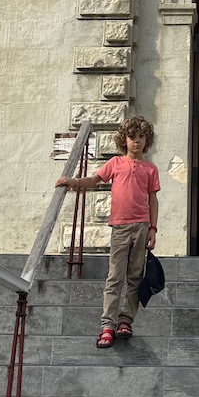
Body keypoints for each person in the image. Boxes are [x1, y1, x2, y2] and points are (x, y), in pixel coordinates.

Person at [56, 115, 160, 349]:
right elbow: (94, 179)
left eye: (141, 137)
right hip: (120, 227)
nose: (136, 141)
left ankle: (126, 320)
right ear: (124, 140)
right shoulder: (115, 163)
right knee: (115, 277)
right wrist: (73, 181)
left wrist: (153, 229)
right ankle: (107, 325)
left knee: (135, 276)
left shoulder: (150, 169)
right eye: (132, 137)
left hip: (142, 226)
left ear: (147, 140)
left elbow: (153, 200)